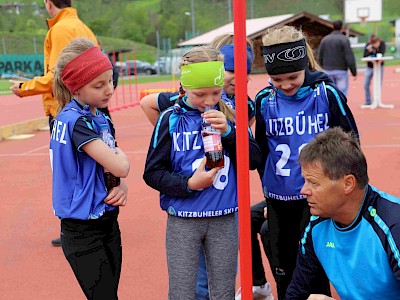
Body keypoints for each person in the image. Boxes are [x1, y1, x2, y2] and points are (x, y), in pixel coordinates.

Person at [140, 34, 271, 300]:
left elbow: (255, 160)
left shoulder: (232, 112)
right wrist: (188, 184)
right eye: (200, 94)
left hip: (224, 215)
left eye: (215, 92)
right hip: (184, 218)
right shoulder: (171, 118)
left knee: (222, 289)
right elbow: (152, 172)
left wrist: (230, 132)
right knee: (184, 290)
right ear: (184, 87)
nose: (209, 100)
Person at [255, 25, 359, 299]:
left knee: (313, 270)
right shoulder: (265, 100)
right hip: (278, 200)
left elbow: (352, 145)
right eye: (277, 79)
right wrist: (267, 195)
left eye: (293, 76)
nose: (286, 85)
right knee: (283, 269)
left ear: (305, 66)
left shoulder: (326, 94)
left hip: (316, 199)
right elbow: (263, 152)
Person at [9, 0, 99, 247]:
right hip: (87, 108)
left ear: (49, 3)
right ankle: (93, 219)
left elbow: (56, 76)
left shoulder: (58, 29)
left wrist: (24, 87)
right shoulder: (83, 27)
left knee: (66, 173)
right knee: (90, 168)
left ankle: (72, 227)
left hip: (64, 109)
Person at [50, 38, 130, 299]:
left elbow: (108, 168)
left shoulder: (99, 115)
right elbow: (119, 164)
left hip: (106, 219)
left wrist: (120, 185)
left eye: (110, 81)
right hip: (82, 228)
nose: (109, 90)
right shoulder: (77, 121)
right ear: (75, 88)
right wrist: (123, 163)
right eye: (99, 85)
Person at [286, 127, 400, 299]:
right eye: (305, 181)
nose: (303, 190)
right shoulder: (316, 225)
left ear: (348, 183)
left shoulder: (393, 224)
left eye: (313, 183)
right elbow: (296, 293)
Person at [318, 20, 357, 96]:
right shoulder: (344, 39)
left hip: (327, 70)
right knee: (341, 94)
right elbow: (349, 56)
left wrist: (321, 68)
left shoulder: (325, 39)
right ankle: (340, 107)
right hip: (341, 70)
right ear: (342, 28)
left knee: (329, 94)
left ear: (333, 27)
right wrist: (354, 71)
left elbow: (320, 55)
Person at [363, 34, 386, 105]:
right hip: (370, 66)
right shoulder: (368, 45)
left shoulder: (382, 44)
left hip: (379, 66)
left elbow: (382, 53)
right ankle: (368, 101)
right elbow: (365, 55)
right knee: (366, 84)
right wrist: (370, 51)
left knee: (378, 83)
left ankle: (377, 100)